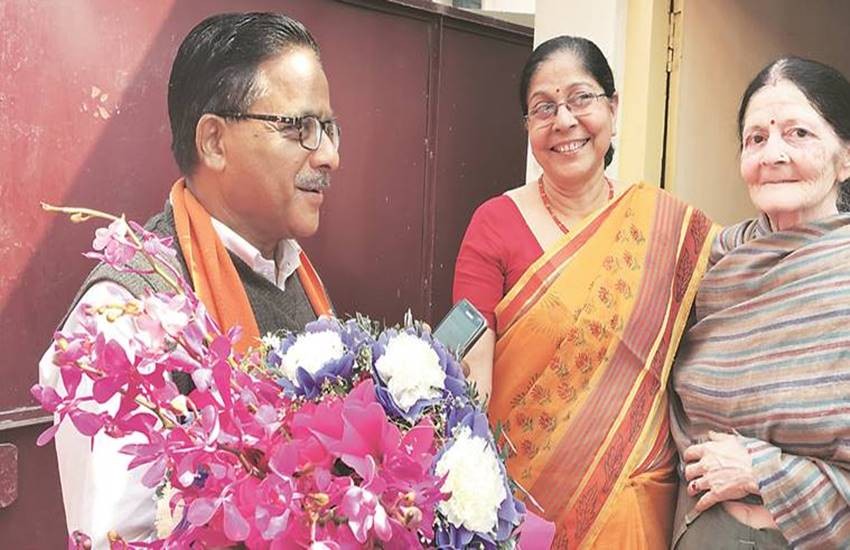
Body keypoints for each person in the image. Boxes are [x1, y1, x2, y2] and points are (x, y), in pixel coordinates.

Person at [38, 12, 339, 546]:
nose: (330, 155)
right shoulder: (129, 315)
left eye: (329, 127)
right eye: (300, 128)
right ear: (214, 141)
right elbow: (121, 538)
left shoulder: (293, 274)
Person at [452, 35, 716, 549]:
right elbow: (469, 367)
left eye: (581, 99)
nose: (564, 120)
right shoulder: (493, 224)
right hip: (521, 505)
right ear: (527, 126)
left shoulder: (665, 228)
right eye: (543, 108)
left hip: (631, 507)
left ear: (613, 109)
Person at [671, 57, 850, 549]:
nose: (773, 154)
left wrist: (762, 470)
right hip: (705, 530)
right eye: (756, 139)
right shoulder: (710, 261)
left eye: (798, 134)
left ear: (845, 159)